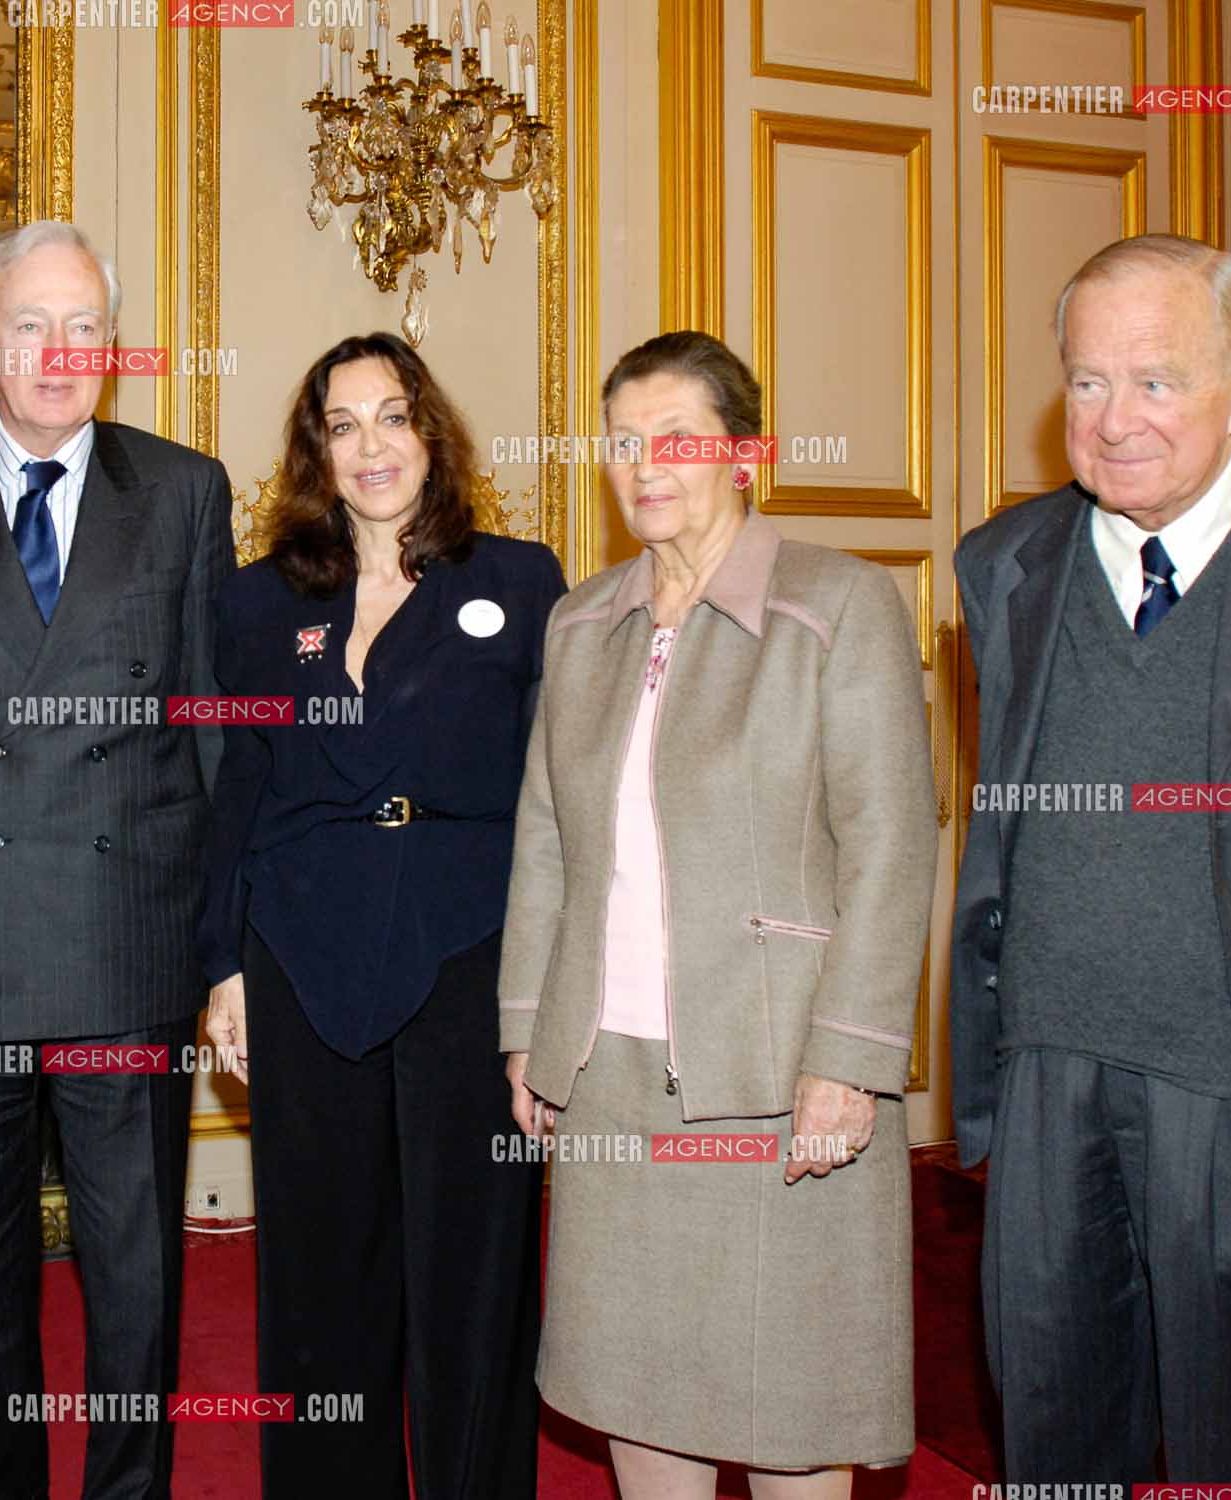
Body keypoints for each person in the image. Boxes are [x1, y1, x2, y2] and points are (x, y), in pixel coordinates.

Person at [950, 234, 1231, 1487]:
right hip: (1049, 1087)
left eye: (1155, 380)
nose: (1113, 419)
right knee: (1056, 1452)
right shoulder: (1003, 564)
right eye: (1085, 382)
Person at [501, 330, 936, 1495]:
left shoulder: (835, 604)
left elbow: (891, 847)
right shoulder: (581, 621)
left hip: (776, 1076)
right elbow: (545, 837)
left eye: (676, 438)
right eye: (621, 443)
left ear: (744, 454)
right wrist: (528, 1032)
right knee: (636, 1404)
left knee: (788, 1412)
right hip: (610, 1078)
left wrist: (847, 1061)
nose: (643, 464)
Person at [0, 218, 234, 1500]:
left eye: (84, 326)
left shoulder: (183, 488)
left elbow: (212, 724)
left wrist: (227, 949)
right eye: (31, 324)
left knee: (134, 1277)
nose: (59, 351)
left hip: (128, 933)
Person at [198, 331, 561, 1498]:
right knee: (318, 1272)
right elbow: (235, 792)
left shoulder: (517, 580)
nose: (370, 447)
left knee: (473, 1268)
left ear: (429, 432)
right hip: (301, 954)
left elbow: (558, 795)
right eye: (342, 424)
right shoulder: (256, 604)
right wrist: (223, 967)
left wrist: (550, 981)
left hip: (468, 951)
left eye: (391, 417)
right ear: (315, 450)